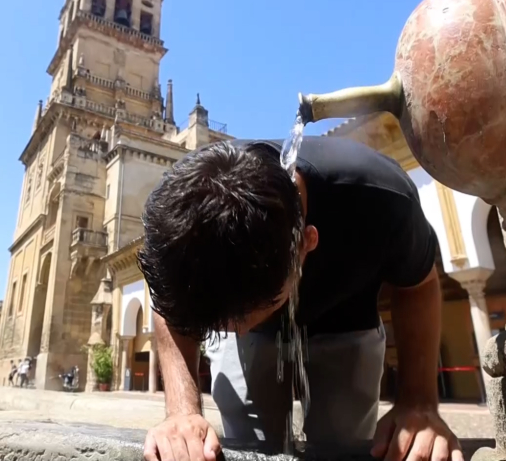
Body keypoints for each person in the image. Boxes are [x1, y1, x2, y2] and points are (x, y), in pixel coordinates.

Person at [138, 138, 463, 461]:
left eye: (265, 305)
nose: (236, 333)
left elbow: (418, 285)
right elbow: (169, 306)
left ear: (307, 243)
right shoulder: (181, 207)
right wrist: (181, 412)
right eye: (222, 323)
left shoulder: (381, 196)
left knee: (343, 444)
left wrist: (417, 403)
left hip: (347, 320)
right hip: (248, 314)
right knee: (250, 445)